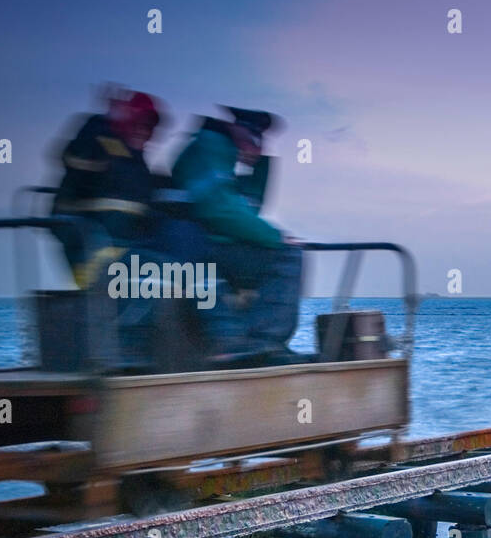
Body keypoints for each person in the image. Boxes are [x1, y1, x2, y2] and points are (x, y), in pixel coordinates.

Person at [167, 106, 304, 365]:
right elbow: (220, 210)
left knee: (282, 253)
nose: (255, 144)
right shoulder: (209, 147)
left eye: (259, 140)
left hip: (206, 245)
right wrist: (276, 238)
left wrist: (260, 164)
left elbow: (249, 207)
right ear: (234, 127)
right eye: (252, 137)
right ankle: (262, 342)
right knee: (287, 256)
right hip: (194, 246)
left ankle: (257, 343)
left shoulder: (222, 154)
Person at [50, 88, 165, 360]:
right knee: (153, 270)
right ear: (125, 121)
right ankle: (121, 348)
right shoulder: (98, 141)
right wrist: (107, 121)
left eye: (150, 126)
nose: (144, 131)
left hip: (122, 254)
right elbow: (74, 157)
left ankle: (131, 348)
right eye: (139, 123)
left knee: (176, 267)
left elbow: (146, 215)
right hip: (87, 254)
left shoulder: (136, 165)